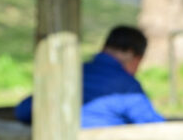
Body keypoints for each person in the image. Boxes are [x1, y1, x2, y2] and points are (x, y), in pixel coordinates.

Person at [15, 25, 165, 128]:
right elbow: (154, 125)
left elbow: (24, 110)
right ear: (131, 54)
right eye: (139, 61)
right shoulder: (126, 86)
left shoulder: (70, 73)